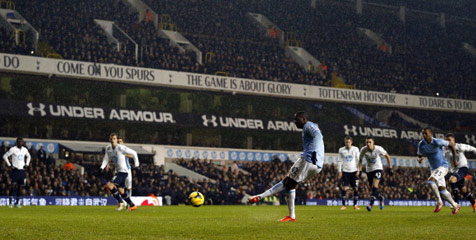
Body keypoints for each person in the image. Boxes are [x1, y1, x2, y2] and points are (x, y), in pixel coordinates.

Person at [248, 111, 324, 222]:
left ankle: (290, 215)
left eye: (296, 120)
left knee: (287, 183)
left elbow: (317, 135)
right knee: (288, 183)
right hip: (318, 166)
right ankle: (260, 197)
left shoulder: (308, 126)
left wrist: (314, 152)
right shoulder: (308, 127)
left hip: (308, 160)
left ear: (303, 119)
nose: (295, 122)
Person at [417, 128, 460, 214]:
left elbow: (451, 145)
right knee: (442, 191)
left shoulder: (437, 142)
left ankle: (439, 202)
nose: (424, 135)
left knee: (430, 181)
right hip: (433, 169)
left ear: (430, 134)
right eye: (423, 134)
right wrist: (419, 159)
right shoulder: (421, 144)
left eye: (426, 133)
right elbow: (419, 154)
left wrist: (454, 160)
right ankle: (455, 205)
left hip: (443, 166)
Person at [100, 133, 140, 211]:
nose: (113, 140)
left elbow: (134, 153)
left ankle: (120, 202)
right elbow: (106, 158)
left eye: (114, 139)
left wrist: (136, 164)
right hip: (118, 171)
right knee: (121, 190)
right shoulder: (109, 149)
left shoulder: (122, 148)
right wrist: (103, 166)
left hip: (125, 171)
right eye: (111, 139)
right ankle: (132, 205)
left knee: (110, 185)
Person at [358, 137, 393, 211]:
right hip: (369, 170)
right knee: (373, 189)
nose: (368, 144)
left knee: (375, 185)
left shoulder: (379, 149)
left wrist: (390, 168)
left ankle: (371, 204)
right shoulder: (363, 150)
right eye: (367, 142)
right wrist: (360, 170)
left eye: (370, 142)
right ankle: (381, 198)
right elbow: (360, 160)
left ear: (373, 142)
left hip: (378, 168)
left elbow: (387, 156)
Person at [444, 133, 476, 212]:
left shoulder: (459, 146)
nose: (448, 142)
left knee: (452, 180)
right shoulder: (445, 150)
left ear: (453, 140)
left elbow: (473, 149)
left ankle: (456, 203)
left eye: (449, 140)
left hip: (463, 168)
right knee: (463, 190)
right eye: (446, 140)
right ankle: (474, 203)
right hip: (455, 171)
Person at [2, 137, 31, 208]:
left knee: (20, 187)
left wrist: (27, 164)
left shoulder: (24, 149)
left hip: (22, 170)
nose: (20, 143)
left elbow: (29, 156)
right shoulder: (13, 149)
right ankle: (10, 203)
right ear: (17, 142)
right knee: (13, 186)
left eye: (22, 142)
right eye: (19, 142)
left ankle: (17, 203)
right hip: (15, 170)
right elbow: (5, 156)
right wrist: (9, 165)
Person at [337, 136, 360, 210]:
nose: (347, 143)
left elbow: (358, 160)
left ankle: (355, 205)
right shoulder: (341, 150)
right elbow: (339, 161)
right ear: (345, 143)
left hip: (354, 171)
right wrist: (339, 171)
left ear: (351, 142)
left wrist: (358, 170)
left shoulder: (355, 149)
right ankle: (344, 205)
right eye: (346, 142)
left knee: (355, 188)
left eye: (349, 142)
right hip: (346, 172)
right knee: (345, 188)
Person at [118, 137, 135, 210]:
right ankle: (122, 203)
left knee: (128, 187)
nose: (119, 142)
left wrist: (124, 155)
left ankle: (129, 204)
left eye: (120, 141)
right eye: (118, 141)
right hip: (119, 170)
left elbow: (132, 155)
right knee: (120, 187)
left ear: (123, 142)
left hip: (127, 169)